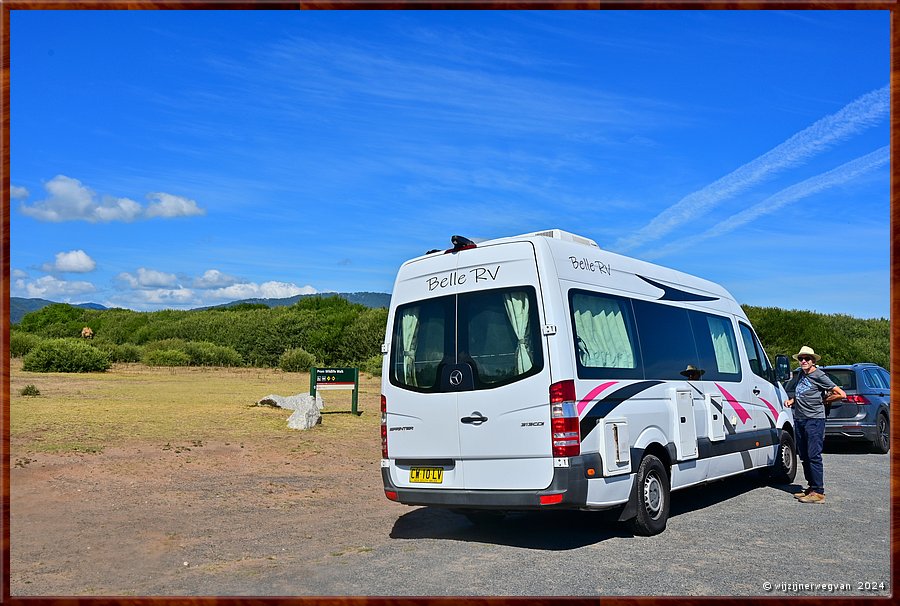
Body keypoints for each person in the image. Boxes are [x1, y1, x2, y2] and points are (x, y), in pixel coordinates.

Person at [784, 346, 846, 504]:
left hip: (814, 420)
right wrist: (792, 401)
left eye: (807, 359)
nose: (804, 361)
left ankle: (819, 492)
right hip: (800, 419)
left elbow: (840, 394)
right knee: (804, 455)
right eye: (801, 358)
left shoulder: (819, 375)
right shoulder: (801, 375)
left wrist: (824, 401)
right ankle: (811, 488)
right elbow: (803, 393)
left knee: (813, 455)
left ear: (813, 361)